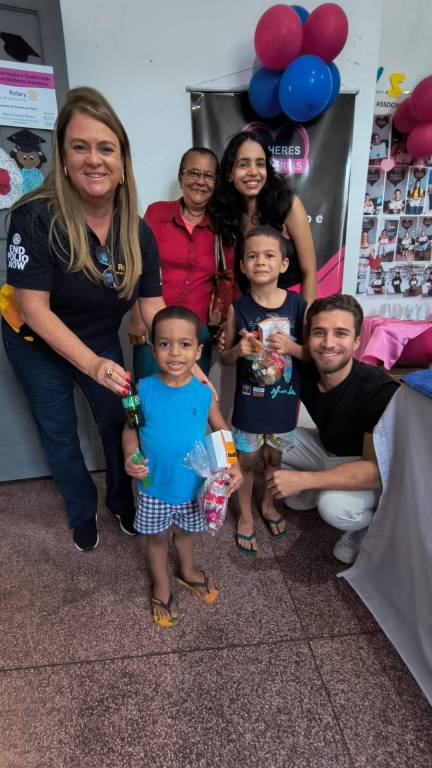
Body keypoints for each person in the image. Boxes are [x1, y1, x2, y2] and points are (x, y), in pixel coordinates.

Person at [1, 87, 167, 553]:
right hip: (34, 342)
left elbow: (152, 307)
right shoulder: (33, 217)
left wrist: (185, 360)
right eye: (80, 146)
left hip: (98, 338)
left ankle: (121, 501)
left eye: (106, 148)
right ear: (63, 156)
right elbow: (34, 309)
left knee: (118, 421)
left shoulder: (138, 231)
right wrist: (92, 365)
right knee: (58, 431)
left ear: (122, 161)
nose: (94, 159)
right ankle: (81, 509)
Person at [123, 306, 242, 627]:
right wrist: (130, 455)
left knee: (187, 534)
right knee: (158, 538)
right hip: (153, 487)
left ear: (198, 351)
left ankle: (187, 570)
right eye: (165, 344)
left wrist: (233, 463)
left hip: (192, 488)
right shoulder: (141, 389)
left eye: (185, 344)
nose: (175, 352)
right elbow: (130, 429)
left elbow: (221, 429)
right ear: (153, 349)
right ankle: (161, 584)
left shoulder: (203, 393)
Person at [267, 294, 399, 565]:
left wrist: (304, 480)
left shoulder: (377, 390)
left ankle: (367, 526)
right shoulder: (306, 370)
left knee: (334, 508)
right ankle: (319, 486)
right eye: (319, 333)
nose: (328, 343)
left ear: (356, 342)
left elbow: (375, 472)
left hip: (364, 467)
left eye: (340, 333)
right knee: (269, 436)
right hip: (326, 448)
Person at [220, 225, 306, 555]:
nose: (260, 262)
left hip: (283, 404)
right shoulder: (237, 309)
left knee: (273, 457)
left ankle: (268, 505)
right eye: (252, 256)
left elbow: (309, 354)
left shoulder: (298, 305)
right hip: (250, 404)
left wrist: (291, 347)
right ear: (243, 265)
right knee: (246, 460)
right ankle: (245, 515)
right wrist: (237, 351)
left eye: (269, 255)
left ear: (283, 264)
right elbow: (225, 358)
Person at [130, 147, 233, 379]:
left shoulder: (222, 228)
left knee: (191, 397)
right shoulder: (157, 214)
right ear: (181, 177)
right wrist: (136, 316)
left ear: (216, 183)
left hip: (196, 335)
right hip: (153, 329)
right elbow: (136, 266)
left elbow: (229, 280)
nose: (200, 181)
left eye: (208, 175)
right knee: (150, 396)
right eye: (193, 173)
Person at [210, 131, 317, 305]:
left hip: (293, 307)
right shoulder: (224, 214)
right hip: (251, 310)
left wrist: (307, 316)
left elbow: (309, 271)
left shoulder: (289, 206)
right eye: (243, 164)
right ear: (230, 173)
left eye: (260, 164)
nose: (253, 172)